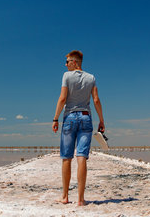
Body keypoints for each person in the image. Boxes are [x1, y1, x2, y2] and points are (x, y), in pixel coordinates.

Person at [52, 50, 105, 206]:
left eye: (67, 61)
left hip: (69, 117)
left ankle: (65, 196)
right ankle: (81, 200)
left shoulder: (66, 76)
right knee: (82, 156)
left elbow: (62, 99)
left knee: (67, 157)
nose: (66, 64)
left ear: (74, 62)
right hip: (86, 117)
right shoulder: (91, 78)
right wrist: (102, 120)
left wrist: (55, 118)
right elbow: (96, 100)